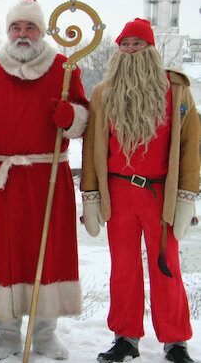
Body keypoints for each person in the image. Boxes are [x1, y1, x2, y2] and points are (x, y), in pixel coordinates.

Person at [0, 0, 88, 360]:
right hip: (0, 180)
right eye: (16, 27)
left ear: (41, 32)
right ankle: (6, 334)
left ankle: (46, 333)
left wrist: (72, 117)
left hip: (46, 177)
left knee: (46, 251)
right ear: (7, 31)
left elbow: (83, 119)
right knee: (4, 252)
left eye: (29, 27)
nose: (22, 34)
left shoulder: (64, 69)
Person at [81, 18, 198, 363]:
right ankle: (125, 337)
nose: (130, 50)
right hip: (118, 193)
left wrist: (187, 197)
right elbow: (91, 149)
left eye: (138, 44)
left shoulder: (176, 91)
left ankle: (176, 341)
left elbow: (191, 146)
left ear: (151, 50)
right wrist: (90, 195)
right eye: (125, 44)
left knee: (167, 267)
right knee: (124, 269)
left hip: (160, 195)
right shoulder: (103, 93)